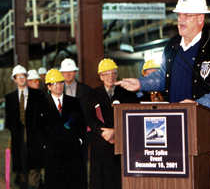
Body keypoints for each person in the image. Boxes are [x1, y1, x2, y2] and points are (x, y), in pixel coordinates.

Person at [116, 0, 210, 189]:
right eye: (179, 15)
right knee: (178, 174)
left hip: (205, 123)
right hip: (174, 122)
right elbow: (163, 77)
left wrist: (197, 105)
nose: (180, 20)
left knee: (208, 174)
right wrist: (141, 83)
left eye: (186, 15)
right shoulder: (172, 46)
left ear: (200, 18)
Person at [89, 58, 138, 189]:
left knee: (118, 180)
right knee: (100, 181)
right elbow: (88, 118)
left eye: (113, 73)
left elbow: (134, 117)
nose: (110, 77)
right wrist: (102, 132)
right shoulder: (92, 94)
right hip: (100, 145)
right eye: (106, 74)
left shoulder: (127, 94)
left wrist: (117, 132)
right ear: (100, 76)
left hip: (121, 145)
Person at [42, 69, 86, 189]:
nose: (59, 86)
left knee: (73, 182)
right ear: (49, 87)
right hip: (52, 153)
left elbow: (81, 124)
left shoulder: (74, 102)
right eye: (55, 83)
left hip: (72, 152)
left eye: (61, 83)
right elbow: (38, 127)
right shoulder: (41, 104)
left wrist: (80, 140)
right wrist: (44, 144)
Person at [5, 65, 46, 189]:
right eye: (19, 77)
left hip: (35, 138)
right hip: (18, 140)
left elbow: (43, 119)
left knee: (35, 174)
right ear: (15, 79)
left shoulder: (38, 95)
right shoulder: (10, 98)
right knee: (22, 173)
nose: (22, 79)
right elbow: (9, 121)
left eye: (24, 76)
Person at [59, 58, 94, 188]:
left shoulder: (86, 91)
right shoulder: (56, 90)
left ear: (75, 72)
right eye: (65, 72)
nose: (68, 74)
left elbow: (90, 112)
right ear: (61, 73)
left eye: (71, 71)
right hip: (62, 135)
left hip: (81, 134)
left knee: (81, 165)